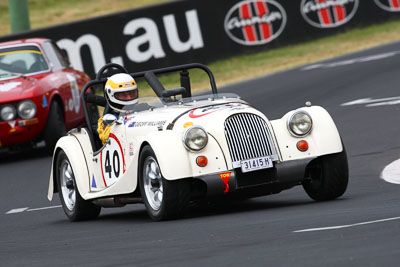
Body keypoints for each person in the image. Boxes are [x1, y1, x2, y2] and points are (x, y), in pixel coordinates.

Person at [97, 73, 138, 145]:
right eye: (123, 95)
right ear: (111, 95)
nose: (129, 98)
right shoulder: (106, 123)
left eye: (132, 93)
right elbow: (105, 137)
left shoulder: (144, 109)